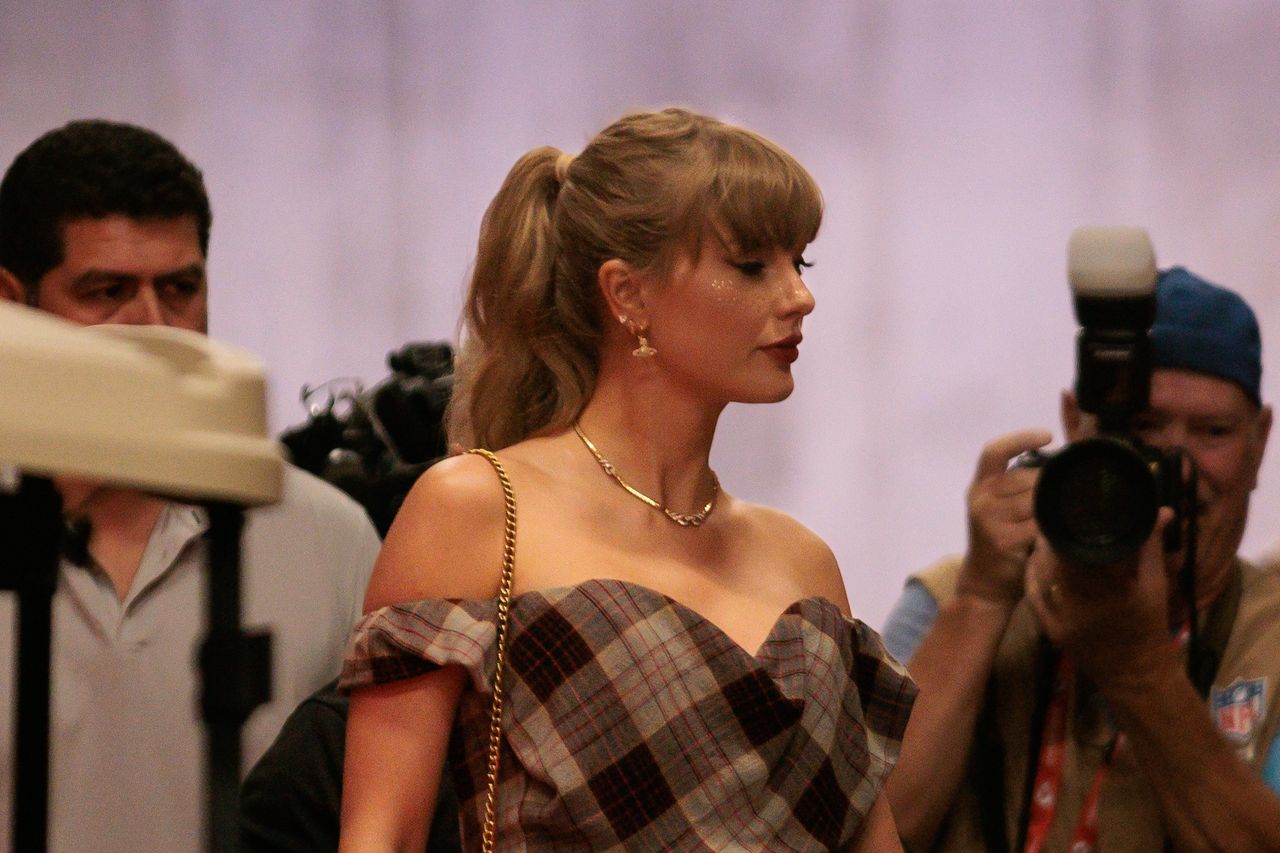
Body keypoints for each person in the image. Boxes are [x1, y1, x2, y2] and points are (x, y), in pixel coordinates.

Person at [338, 107, 916, 851]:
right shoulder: (478, 508)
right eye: (752, 266)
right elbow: (380, 834)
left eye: (799, 263)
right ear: (627, 294)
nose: (799, 297)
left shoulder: (804, 560)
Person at [0, 119, 381, 852]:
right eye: (106, 291)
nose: (154, 325)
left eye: (179, 289)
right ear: (13, 303)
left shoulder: (332, 540)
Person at [882, 268, 1280, 851]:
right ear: (1075, 423)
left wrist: (1139, 670)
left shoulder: (1270, 634)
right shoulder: (950, 599)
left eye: (1212, 432)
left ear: (1260, 441)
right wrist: (982, 599)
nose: (1175, 469)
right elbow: (875, 832)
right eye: (1142, 428)